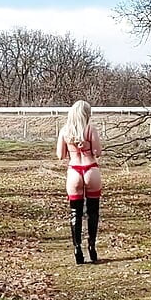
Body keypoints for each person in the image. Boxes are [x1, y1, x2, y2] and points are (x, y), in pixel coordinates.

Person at [56, 100, 103, 264]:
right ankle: (92, 246)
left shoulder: (65, 130)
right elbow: (98, 152)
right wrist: (88, 145)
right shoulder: (91, 129)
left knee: (75, 212)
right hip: (91, 168)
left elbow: (60, 155)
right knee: (93, 211)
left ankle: (77, 249)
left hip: (74, 170)